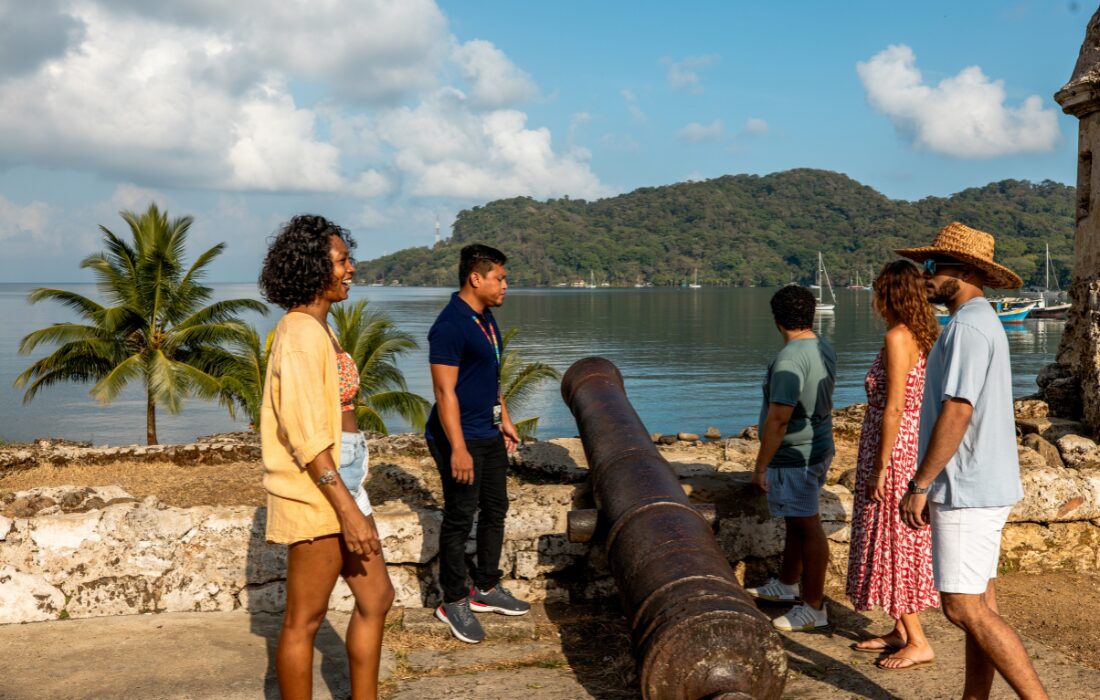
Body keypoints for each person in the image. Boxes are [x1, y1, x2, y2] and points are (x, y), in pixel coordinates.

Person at [898, 222, 1048, 697]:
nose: (923, 276)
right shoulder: (980, 321)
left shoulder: (965, 326)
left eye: (930, 267)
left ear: (961, 271)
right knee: (982, 603)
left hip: (966, 487)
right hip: (986, 481)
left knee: (963, 609)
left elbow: (958, 410)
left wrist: (921, 483)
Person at [259, 215, 394, 700]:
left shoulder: (320, 327)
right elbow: (305, 435)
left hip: (344, 481)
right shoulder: (298, 332)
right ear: (313, 268)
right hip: (320, 490)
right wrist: (345, 509)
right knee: (304, 620)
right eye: (341, 261)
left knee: (377, 597)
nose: (351, 269)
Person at [427, 243, 529, 644]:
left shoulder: (485, 319)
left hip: (487, 432)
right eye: (500, 278)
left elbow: (491, 378)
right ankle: (452, 600)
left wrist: (504, 418)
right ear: (476, 278)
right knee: (459, 516)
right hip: (459, 437)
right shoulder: (450, 325)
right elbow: (444, 391)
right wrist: (458, 448)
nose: (506, 285)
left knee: (495, 509)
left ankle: (486, 587)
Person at [846, 260, 940, 670]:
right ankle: (900, 628)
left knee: (890, 540)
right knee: (893, 538)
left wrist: (880, 465)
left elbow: (895, 406)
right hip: (911, 444)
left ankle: (918, 640)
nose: (874, 299)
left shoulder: (898, 337)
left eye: (878, 291)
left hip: (894, 449)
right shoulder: (925, 335)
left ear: (890, 294)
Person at [745, 284, 837, 631]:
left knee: (806, 525)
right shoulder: (822, 346)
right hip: (819, 446)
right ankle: (786, 584)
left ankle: (813, 605)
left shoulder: (789, 359)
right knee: (796, 520)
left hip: (795, 455)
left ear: (776, 319)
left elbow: (779, 418)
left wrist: (761, 466)